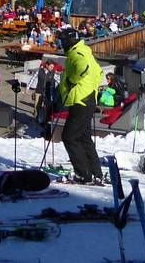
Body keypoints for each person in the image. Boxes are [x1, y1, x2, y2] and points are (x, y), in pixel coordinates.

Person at [58, 28, 105, 185]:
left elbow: (82, 68)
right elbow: (99, 73)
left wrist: (72, 80)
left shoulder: (76, 53)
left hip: (80, 100)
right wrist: (92, 89)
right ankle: (95, 173)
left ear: (69, 41)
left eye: (63, 41)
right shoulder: (85, 51)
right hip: (87, 98)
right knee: (83, 137)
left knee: (69, 136)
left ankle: (83, 174)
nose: (61, 44)